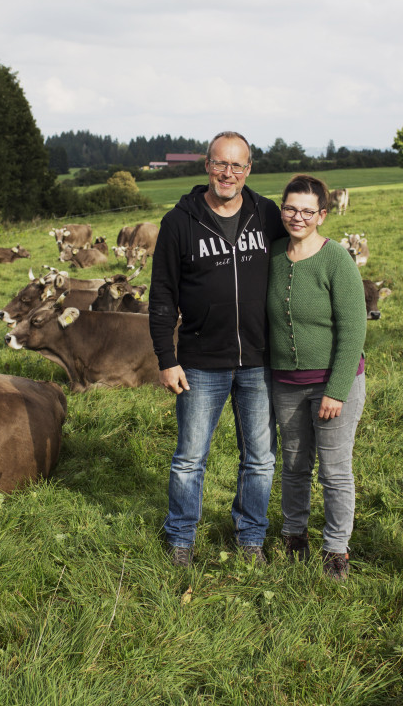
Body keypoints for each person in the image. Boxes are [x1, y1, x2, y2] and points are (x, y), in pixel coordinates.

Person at [149, 131, 287, 568]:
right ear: (207, 165)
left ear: (249, 170)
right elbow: (162, 296)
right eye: (220, 164)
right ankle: (180, 539)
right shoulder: (179, 222)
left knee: (261, 460)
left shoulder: (266, 214)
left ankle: (250, 538)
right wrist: (166, 359)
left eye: (238, 165)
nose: (228, 173)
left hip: (260, 361)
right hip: (200, 362)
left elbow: (300, 257)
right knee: (190, 458)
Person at [266, 174, 367, 580]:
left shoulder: (336, 259)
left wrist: (336, 389)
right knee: (292, 464)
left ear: (322, 215)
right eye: (290, 208)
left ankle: (336, 549)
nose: (298, 217)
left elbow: (353, 329)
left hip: (332, 384)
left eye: (308, 211)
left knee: (334, 470)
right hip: (286, 384)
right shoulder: (273, 256)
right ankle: (294, 537)